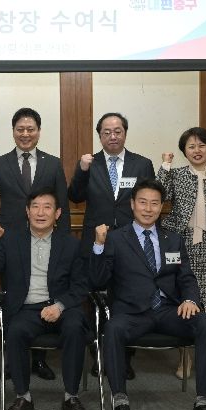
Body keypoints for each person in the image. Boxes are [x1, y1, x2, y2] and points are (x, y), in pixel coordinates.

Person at [90, 179, 206, 410]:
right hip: (132, 313)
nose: (148, 209)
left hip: (169, 311)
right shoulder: (115, 238)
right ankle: (120, 401)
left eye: (154, 203)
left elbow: (186, 278)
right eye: (143, 202)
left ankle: (203, 402)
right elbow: (97, 281)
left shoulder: (173, 239)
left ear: (161, 207)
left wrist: (190, 299)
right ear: (132, 204)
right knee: (113, 328)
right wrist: (98, 245)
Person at [0, 187, 90, 410]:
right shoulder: (10, 240)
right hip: (27, 308)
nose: (41, 213)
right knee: (16, 331)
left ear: (57, 213)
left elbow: (81, 285)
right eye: (35, 207)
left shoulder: (71, 244)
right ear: (27, 211)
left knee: (75, 328)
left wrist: (59, 306)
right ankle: (23, 397)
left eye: (47, 207)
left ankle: (71, 397)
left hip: (61, 308)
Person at [0, 107, 70, 380]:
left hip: (46, 239)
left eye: (31, 129)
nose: (25, 134)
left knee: (44, 294)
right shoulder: (0, 163)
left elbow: (62, 204)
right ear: (13, 132)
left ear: (39, 132)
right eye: (20, 129)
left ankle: (39, 360)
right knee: (14, 298)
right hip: (11, 242)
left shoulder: (53, 163)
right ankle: (12, 359)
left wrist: (63, 240)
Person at [68, 112, 154, 380]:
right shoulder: (89, 163)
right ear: (99, 135)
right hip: (97, 240)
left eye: (117, 131)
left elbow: (150, 201)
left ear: (125, 133)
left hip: (131, 243)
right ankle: (99, 356)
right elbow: (75, 196)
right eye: (106, 132)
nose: (112, 136)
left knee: (127, 299)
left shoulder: (142, 164)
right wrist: (81, 171)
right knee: (94, 301)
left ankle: (124, 358)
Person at [159, 127, 206, 379]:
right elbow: (159, 194)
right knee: (184, 305)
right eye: (191, 146)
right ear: (184, 151)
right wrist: (165, 165)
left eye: (201, 145)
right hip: (182, 247)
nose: (197, 150)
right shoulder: (177, 175)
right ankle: (186, 360)